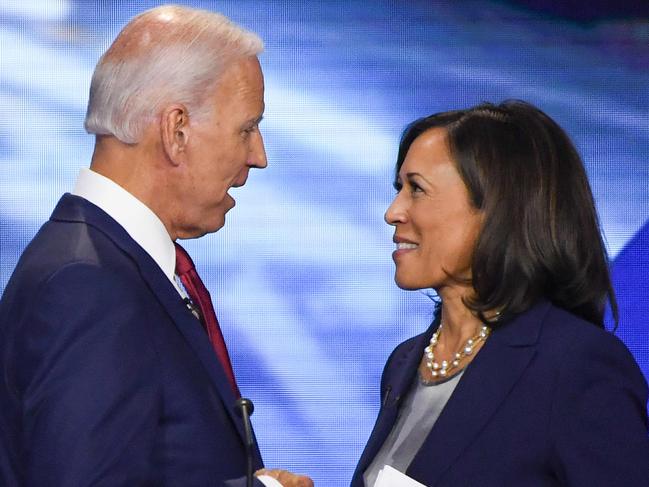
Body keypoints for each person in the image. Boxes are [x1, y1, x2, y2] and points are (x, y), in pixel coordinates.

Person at [0, 5, 312, 487]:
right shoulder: (89, 284)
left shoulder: (109, 262)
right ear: (176, 131)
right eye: (246, 129)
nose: (259, 155)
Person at [352, 100, 649, 486]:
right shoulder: (405, 362)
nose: (393, 211)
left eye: (416, 189)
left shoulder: (575, 367)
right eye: (399, 188)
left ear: (497, 208)